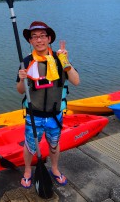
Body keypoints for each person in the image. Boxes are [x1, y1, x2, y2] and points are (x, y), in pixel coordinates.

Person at [16, 21, 80, 188]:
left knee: (54, 145)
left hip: (54, 114)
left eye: (42, 36)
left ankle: (55, 169)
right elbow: (20, 90)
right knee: (30, 146)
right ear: (30, 41)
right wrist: (22, 78)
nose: (39, 40)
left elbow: (76, 81)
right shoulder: (27, 61)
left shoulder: (60, 59)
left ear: (49, 38)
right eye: (35, 37)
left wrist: (65, 62)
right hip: (33, 115)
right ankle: (28, 171)